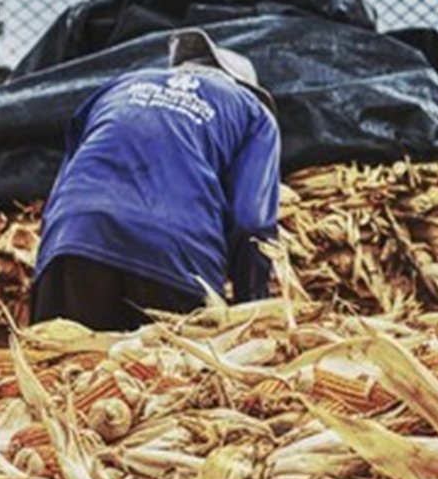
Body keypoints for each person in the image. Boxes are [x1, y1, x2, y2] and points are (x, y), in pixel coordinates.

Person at [31, 27, 281, 331]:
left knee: (60, 372)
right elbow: (250, 221)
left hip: (73, 240)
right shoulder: (253, 112)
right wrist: (250, 310)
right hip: (177, 257)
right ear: (245, 87)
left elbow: (61, 192)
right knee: (172, 377)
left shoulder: (117, 88)